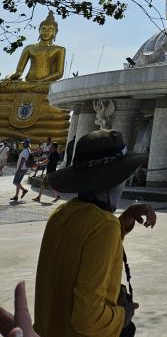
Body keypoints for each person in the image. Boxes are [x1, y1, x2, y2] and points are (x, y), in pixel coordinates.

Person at [34, 128, 156, 337]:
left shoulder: (62, 213)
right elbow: (88, 319)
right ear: (115, 180)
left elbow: (82, 248)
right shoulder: (104, 226)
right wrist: (123, 315)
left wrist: (123, 221)